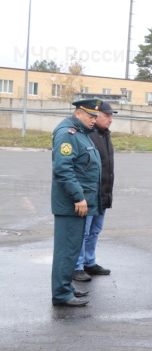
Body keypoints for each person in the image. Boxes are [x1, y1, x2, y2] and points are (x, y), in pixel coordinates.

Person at [51, 99, 102, 306]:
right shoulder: (67, 133)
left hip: (79, 203)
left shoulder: (80, 133)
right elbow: (63, 169)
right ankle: (61, 294)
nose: (94, 120)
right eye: (91, 116)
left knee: (72, 248)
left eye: (96, 117)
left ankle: (65, 287)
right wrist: (78, 197)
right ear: (79, 113)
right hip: (71, 204)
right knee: (66, 249)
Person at [72, 100, 117, 283]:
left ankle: (90, 262)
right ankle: (77, 266)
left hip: (102, 193)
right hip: (88, 194)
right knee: (83, 231)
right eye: (107, 116)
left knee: (95, 230)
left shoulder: (105, 135)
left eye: (111, 116)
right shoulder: (85, 135)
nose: (110, 120)